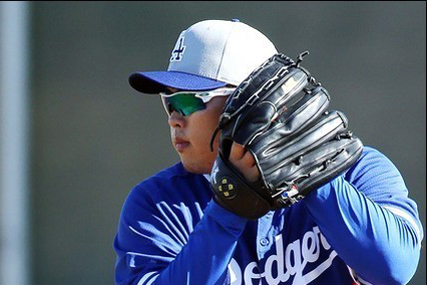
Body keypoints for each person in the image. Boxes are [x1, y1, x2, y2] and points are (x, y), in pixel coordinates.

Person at [113, 19, 423, 285]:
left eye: (190, 101)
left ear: (255, 103)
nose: (173, 118)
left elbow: (394, 269)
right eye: (169, 101)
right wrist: (229, 206)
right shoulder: (158, 204)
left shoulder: (358, 170)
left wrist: (313, 176)